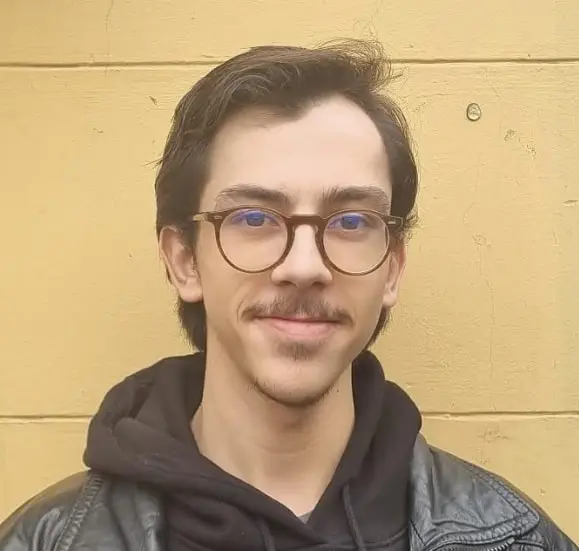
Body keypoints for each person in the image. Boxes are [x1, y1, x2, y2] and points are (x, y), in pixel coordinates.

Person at [0, 39, 575, 551]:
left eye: (351, 221)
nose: (304, 267)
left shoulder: (516, 540)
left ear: (393, 268)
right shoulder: (41, 541)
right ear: (183, 261)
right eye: (253, 217)